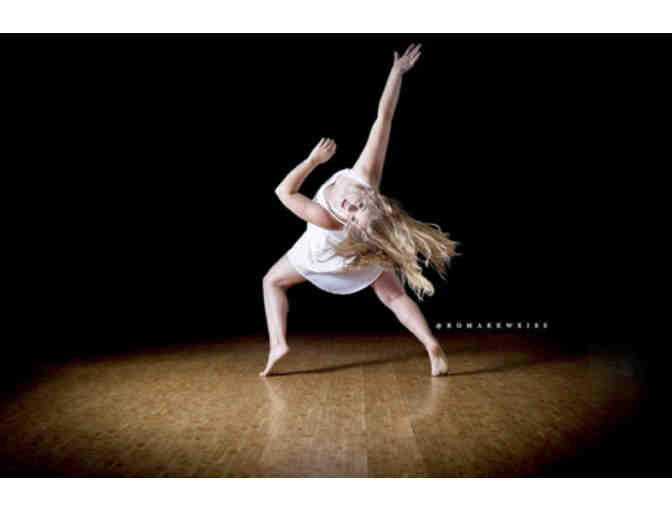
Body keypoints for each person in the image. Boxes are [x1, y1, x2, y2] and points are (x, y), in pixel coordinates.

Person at [262, 43, 460, 377]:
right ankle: (431, 345)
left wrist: (312, 161)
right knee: (393, 296)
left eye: (352, 217)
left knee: (272, 281)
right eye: (359, 207)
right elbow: (385, 118)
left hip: (328, 253)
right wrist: (397, 73)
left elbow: (284, 191)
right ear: (373, 197)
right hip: (362, 250)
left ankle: (277, 344)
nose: (349, 208)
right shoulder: (366, 175)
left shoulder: (326, 218)